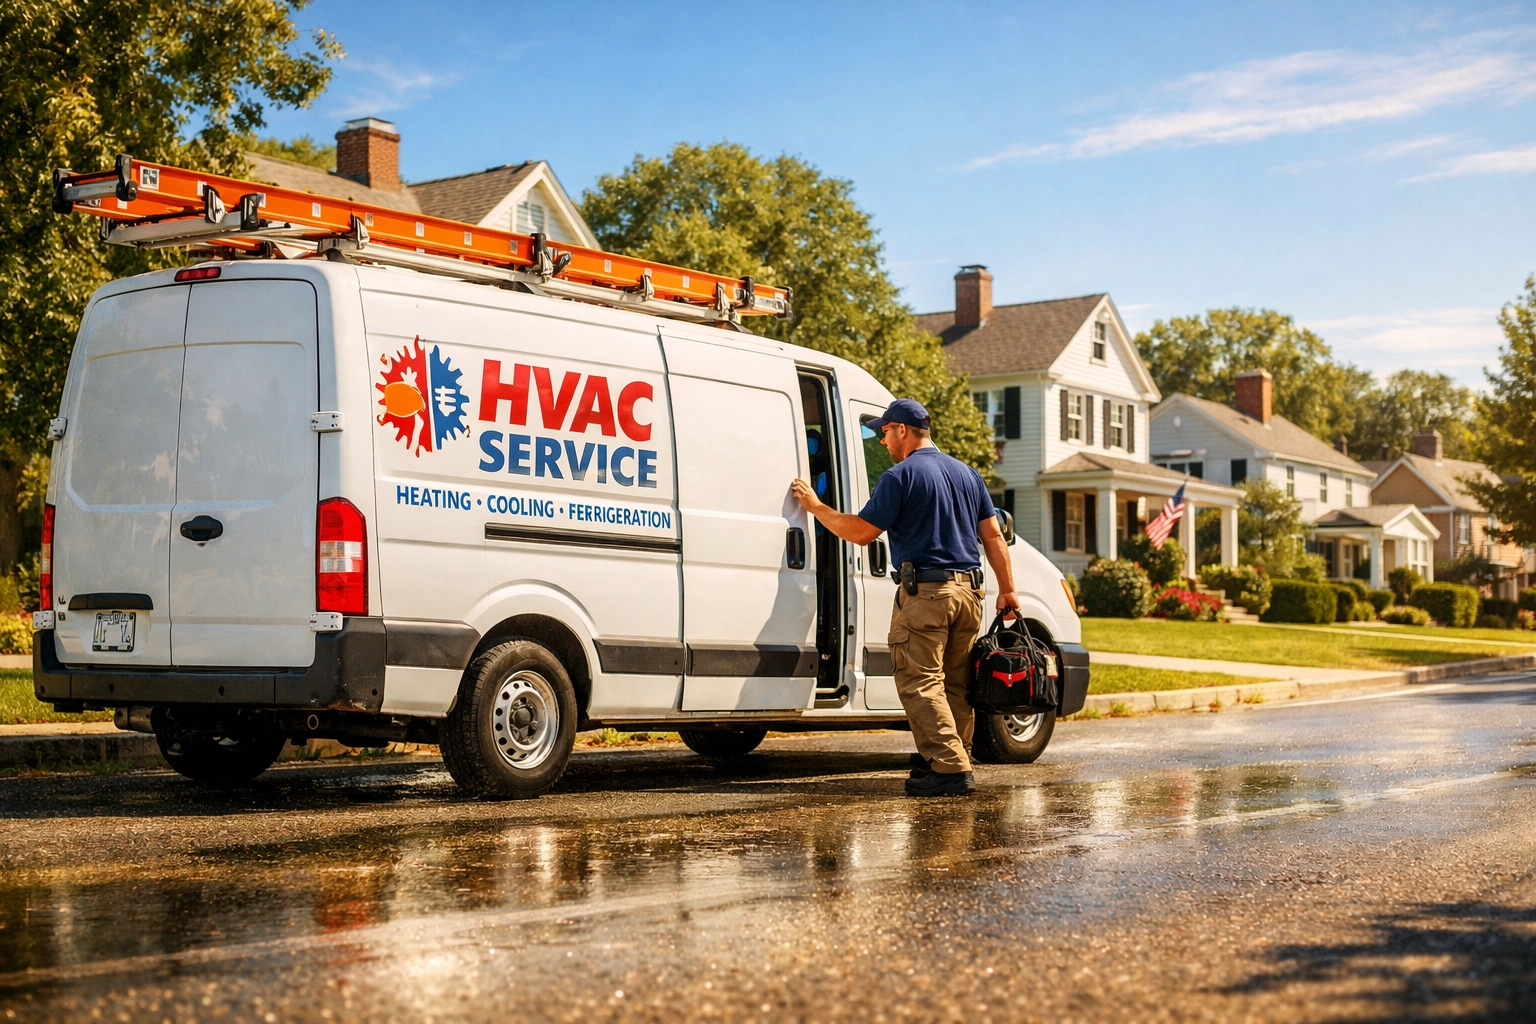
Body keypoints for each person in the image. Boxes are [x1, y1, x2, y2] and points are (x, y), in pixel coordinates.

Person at [790, 398, 1020, 797]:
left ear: (902, 430)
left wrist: (815, 507)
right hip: (971, 593)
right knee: (956, 683)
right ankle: (952, 756)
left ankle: (949, 769)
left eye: (884, 432)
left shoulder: (901, 477)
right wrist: (1009, 590)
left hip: (928, 595)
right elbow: (994, 536)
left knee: (919, 680)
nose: (882, 441)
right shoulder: (967, 475)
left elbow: (861, 531)